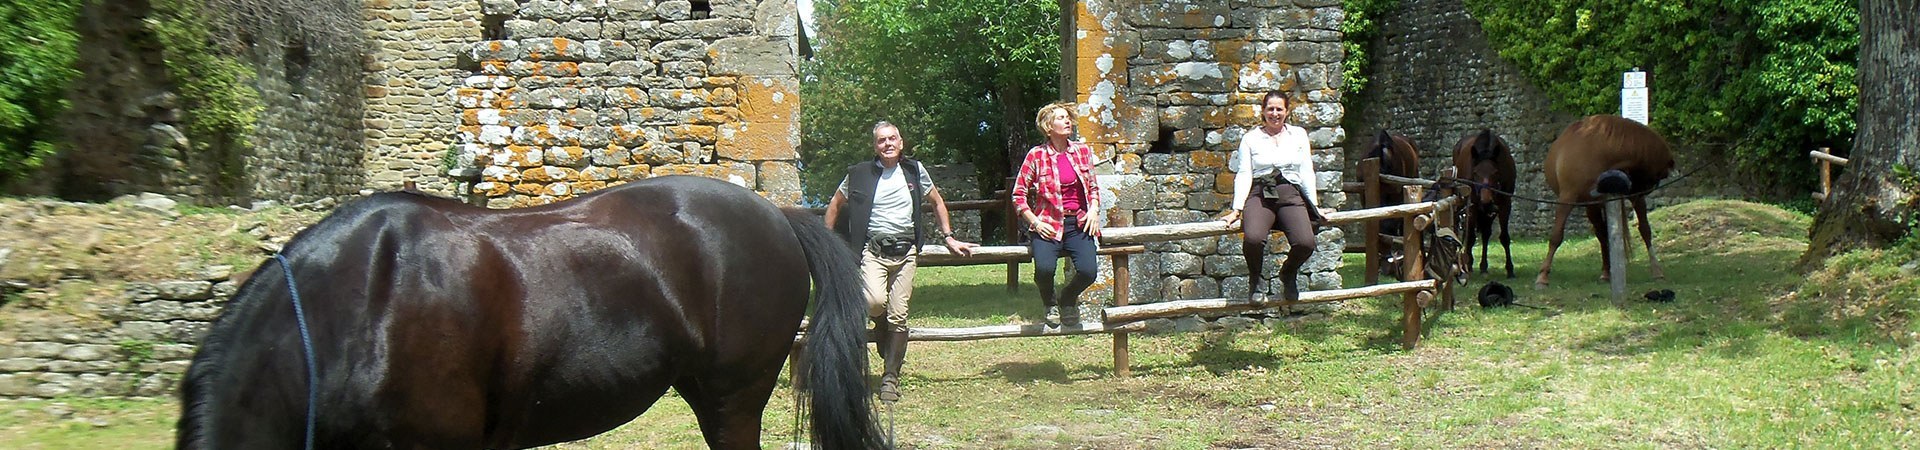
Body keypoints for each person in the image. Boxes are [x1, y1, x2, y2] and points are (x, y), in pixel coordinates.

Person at [824, 121, 977, 403]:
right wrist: (827, 241)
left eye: (892, 138)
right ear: (875, 146)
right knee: (873, 302)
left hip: (906, 253)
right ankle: (880, 324)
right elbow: (835, 203)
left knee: (899, 315)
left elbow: (937, 202)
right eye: (882, 140)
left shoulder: (914, 171)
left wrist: (949, 237)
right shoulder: (858, 174)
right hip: (873, 251)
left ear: (901, 142)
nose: (888, 144)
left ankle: (890, 378)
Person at [1217, 92, 1334, 305]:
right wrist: (1236, 209)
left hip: (1289, 192)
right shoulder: (1251, 138)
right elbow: (1244, 173)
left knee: (1306, 243)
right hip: (1260, 193)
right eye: (1270, 109)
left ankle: (1288, 273)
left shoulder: (1298, 135)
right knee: (1253, 239)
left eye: (1279, 109)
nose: (1275, 113)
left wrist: (1315, 205)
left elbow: (1306, 170)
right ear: (1263, 111)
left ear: (1287, 111)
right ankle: (1255, 280)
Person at [1011, 102, 1103, 328]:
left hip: (1078, 223)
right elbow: (1018, 194)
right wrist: (1035, 222)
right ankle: (1049, 303)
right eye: (1061, 118)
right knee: (1044, 270)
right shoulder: (1036, 155)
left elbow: (1093, 187)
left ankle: (1067, 300)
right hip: (1048, 224)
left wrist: (1093, 210)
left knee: (1089, 272)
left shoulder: (1082, 151)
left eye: (1067, 117)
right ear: (1048, 127)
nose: (1067, 121)